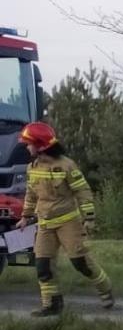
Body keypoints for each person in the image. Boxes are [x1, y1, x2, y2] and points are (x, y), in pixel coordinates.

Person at [16, 121, 113, 317]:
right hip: (45, 224)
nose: (27, 147)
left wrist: (89, 217)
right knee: (43, 266)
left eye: (29, 144)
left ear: (41, 145)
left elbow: (82, 190)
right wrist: (25, 216)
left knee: (81, 263)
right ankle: (51, 305)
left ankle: (105, 288)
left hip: (68, 222)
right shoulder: (32, 167)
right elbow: (31, 194)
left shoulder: (66, 165)